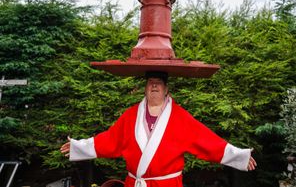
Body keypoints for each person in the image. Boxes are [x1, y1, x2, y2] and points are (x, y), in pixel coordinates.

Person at [60, 71, 257, 187]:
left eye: (159, 84)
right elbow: (110, 140)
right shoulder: (131, 115)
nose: (154, 86)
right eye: (150, 83)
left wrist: (239, 156)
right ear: (145, 89)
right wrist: (79, 147)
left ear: (166, 90)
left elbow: (207, 142)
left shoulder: (180, 118)